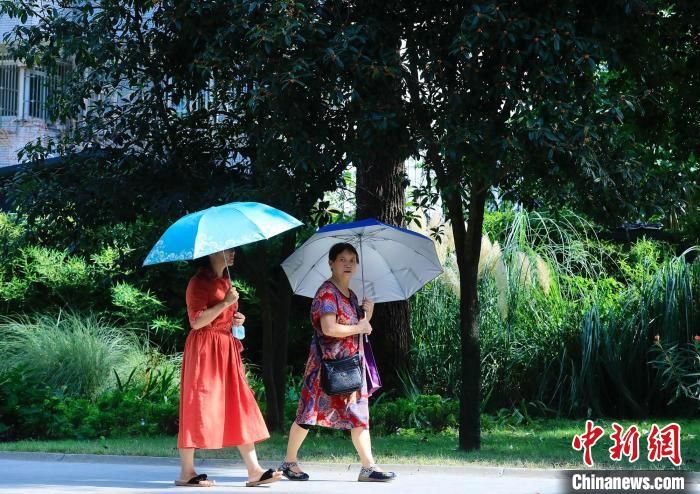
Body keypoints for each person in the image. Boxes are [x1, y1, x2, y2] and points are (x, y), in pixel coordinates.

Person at [279, 242, 397, 483]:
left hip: (351, 365)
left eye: (352, 260)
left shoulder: (351, 295)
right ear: (331, 263)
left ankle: (368, 467)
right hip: (326, 367)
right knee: (308, 415)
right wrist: (360, 325)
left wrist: (368, 315)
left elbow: (358, 330)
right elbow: (329, 328)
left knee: (359, 414)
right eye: (342, 259)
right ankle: (289, 462)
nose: (348, 264)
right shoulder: (326, 293)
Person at [176, 248, 282, 488]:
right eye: (227, 250)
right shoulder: (198, 282)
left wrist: (235, 318)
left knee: (238, 404)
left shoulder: (226, 281)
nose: (233, 253)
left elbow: (223, 314)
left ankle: (254, 470)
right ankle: (187, 472)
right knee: (198, 406)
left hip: (226, 348)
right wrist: (225, 303)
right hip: (205, 350)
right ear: (212, 252)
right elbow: (196, 322)